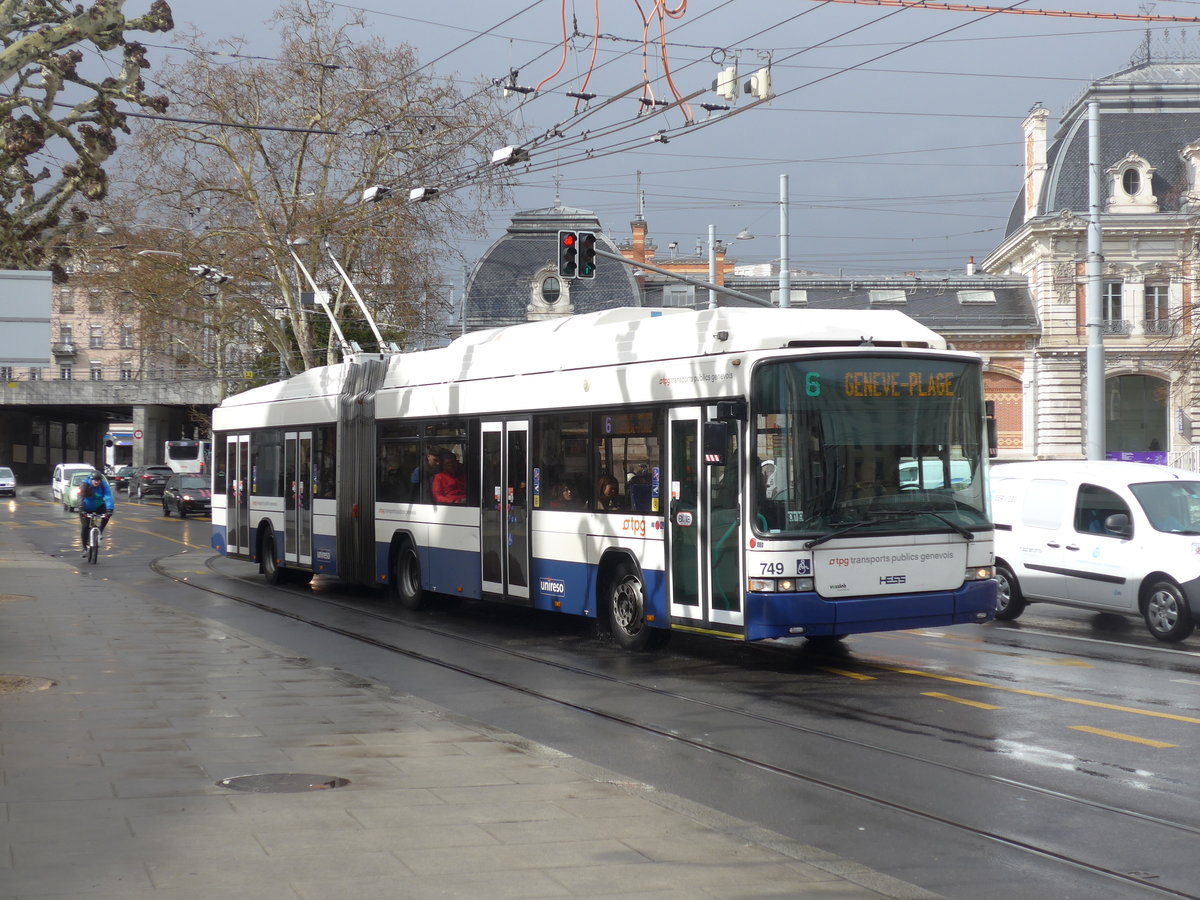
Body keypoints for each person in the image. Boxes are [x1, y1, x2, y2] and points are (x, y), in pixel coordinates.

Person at [77, 471, 114, 555]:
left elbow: (108, 496)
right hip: (86, 507)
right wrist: (81, 509)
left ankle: (100, 531)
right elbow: (80, 497)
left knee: (107, 515)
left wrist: (110, 509)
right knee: (85, 526)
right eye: (95, 480)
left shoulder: (104, 485)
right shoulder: (85, 485)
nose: (96, 482)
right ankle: (84, 548)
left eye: (98, 480)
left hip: (99, 506)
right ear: (91, 479)